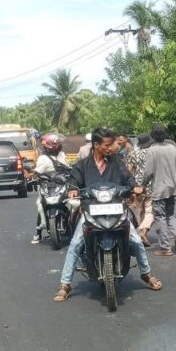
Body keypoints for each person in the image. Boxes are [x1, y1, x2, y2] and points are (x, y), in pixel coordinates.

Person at [53, 127, 162, 302]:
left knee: (136, 240)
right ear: (96, 145)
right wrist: (73, 190)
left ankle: (146, 274)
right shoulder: (82, 165)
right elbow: (74, 182)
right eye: (108, 144)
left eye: (112, 144)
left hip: (117, 210)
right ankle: (65, 284)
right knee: (75, 244)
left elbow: (128, 179)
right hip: (90, 212)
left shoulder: (117, 163)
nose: (112, 147)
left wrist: (135, 186)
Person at [143, 123, 176, 256]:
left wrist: (142, 185)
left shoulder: (152, 150)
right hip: (172, 187)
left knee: (160, 217)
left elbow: (148, 172)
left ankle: (165, 247)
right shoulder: (172, 148)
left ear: (152, 136)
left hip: (159, 189)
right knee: (170, 214)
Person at [31, 133, 69, 244]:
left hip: (62, 185)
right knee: (41, 205)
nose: (59, 146)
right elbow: (37, 172)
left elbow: (68, 167)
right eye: (57, 144)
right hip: (47, 186)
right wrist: (35, 176)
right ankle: (38, 232)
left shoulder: (61, 155)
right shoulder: (43, 158)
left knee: (72, 203)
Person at [127, 134, 154, 246]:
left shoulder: (133, 154)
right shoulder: (153, 153)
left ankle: (140, 234)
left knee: (140, 210)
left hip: (137, 187)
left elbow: (129, 171)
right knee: (150, 211)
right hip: (151, 185)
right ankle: (143, 232)